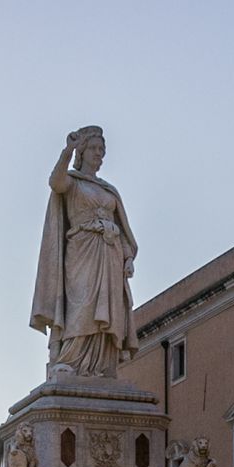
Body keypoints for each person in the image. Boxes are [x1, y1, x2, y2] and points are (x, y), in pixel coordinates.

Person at [30, 126, 138, 378]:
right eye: (94, 148)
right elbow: (55, 182)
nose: (99, 154)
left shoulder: (109, 190)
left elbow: (121, 229)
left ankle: (101, 364)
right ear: (83, 151)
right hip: (81, 250)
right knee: (82, 302)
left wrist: (128, 256)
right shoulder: (73, 182)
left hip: (110, 253)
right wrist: (66, 151)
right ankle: (71, 358)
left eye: (102, 150)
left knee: (107, 306)